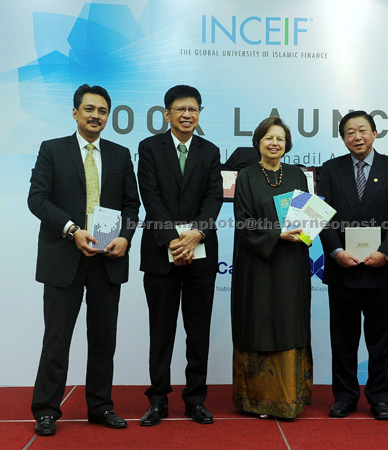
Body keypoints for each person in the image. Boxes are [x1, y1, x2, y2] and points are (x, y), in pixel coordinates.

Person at [28, 84, 140, 436]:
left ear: (109, 116)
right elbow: (38, 199)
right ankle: (47, 409)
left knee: (104, 339)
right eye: (89, 109)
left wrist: (125, 236)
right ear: (75, 112)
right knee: (57, 338)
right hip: (65, 257)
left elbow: (131, 206)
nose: (96, 115)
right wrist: (72, 229)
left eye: (102, 111)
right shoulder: (52, 150)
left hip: (107, 259)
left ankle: (100, 405)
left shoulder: (121, 155)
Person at [318, 110, 388, 420]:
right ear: (343, 138)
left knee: (381, 340)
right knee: (343, 340)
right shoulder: (330, 170)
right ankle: (344, 396)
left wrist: (386, 252)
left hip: (380, 269)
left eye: (362, 130)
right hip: (342, 268)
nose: (357, 136)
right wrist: (335, 251)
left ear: (374, 133)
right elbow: (323, 216)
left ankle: (379, 397)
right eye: (349, 132)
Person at [137, 85, 223, 426]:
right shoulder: (149, 148)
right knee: (161, 330)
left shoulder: (210, 150)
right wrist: (174, 240)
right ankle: (157, 400)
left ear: (199, 114)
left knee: (197, 330)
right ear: (167, 114)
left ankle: (195, 400)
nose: (187, 114)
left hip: (201, 251)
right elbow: (150, 196)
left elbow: (214, 198)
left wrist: (197, 234)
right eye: (181, 109)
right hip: (162, 252)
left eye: (194, 109)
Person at [231, 116, 313, 419]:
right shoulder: (248, 176)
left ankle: (291, 396)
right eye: (268, 138)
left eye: (279, 138)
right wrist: (275, 234)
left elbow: (306, 220)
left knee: (289, 321)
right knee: (259, 321)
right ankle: (257, 400)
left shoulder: (297, 175)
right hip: (258, 265)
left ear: (287, 144)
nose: (274, 143)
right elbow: (243, 221)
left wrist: (308, 227)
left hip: (291, 265)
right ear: (258, 143)